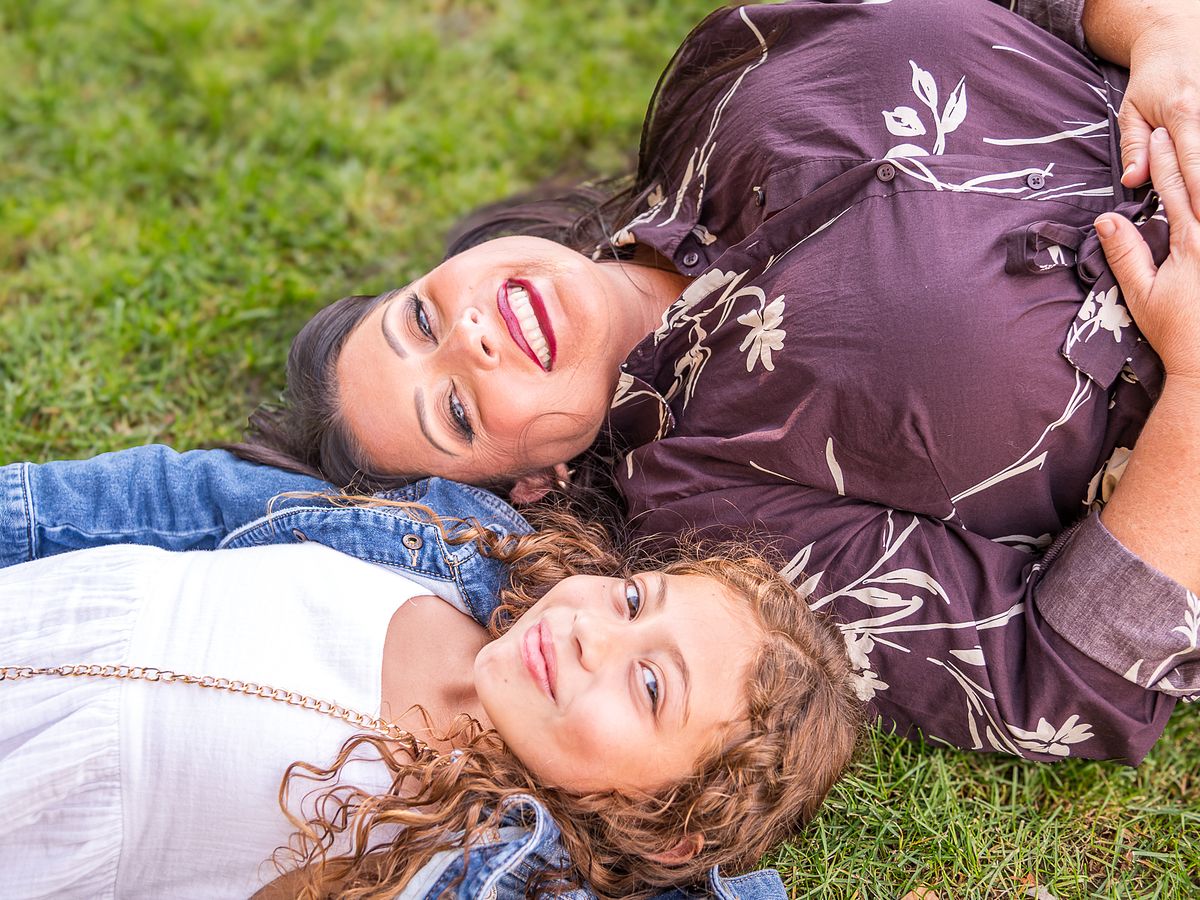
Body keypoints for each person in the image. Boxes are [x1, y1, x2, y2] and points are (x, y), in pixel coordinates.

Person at [3, 0, 1199, 766]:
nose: (469, 339)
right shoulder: (725, 519)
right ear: (533, 481)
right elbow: (1059, 675)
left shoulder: (720, 79)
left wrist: (1165, 36)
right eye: (454, 411)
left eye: (420, 316)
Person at [0, 505, 862, 899]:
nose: (594, 631)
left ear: (661, 820)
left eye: (649, 685)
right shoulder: (458, 549)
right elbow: (185, 500)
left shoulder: (462, 858)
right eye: (634, 599)